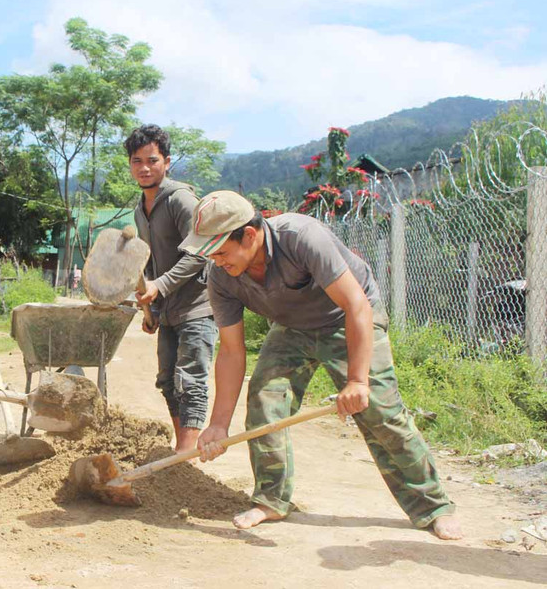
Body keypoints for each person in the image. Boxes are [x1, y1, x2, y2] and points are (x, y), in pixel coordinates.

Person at [186, 190, 462, 540]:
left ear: (250, 235)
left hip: (348, 317)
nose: (216, 260)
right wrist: (218, 424)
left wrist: (359, 381)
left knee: (379, 410)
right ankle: (271, 499)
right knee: (265, 401)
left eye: (222, 251)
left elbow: (356, 306)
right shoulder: (222, 276)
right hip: (292, 327)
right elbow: (231, 351)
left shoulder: (301, 238)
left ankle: (433, 505)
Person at [126, 124, 217, 453]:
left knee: (190, 379)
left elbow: (202, 252)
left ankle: (185, 457)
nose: (145, 168)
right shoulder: (140, 209)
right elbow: (150, 265)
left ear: (166, 161)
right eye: (137, 161)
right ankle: (183, 449)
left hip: (198, 307)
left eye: (152, 160)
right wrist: (151, 309)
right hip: (168, 310)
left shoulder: (181, 200)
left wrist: (160, 285)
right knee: (167, 381)